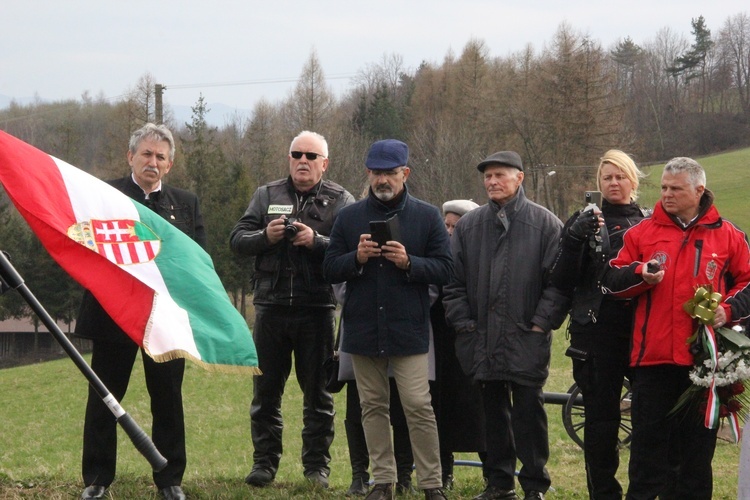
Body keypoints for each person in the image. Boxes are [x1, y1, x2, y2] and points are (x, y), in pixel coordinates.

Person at [602, 156, 750, 499]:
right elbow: (609, 281)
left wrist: (728, 311)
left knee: (695, 461)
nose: (667, 194)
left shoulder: (728, 235)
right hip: (652, 363)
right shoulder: (641, 232)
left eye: (676, 189)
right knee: (646, 458)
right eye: (664, 187)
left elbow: (748, 282)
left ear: (699, 190)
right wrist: (641, 274)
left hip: (703, 365)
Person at [75, 123, 204, 500]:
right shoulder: (104, 194)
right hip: (112, 313)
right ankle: (97, 480)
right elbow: (87, 246)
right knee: (104, 397)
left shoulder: (186, 203)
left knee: (168, 399)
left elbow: (197, 260)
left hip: (164, 320)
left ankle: (170, 479)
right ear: (130, 156)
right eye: (146, 154)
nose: (152, 161)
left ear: (170, 164)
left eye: (160, 157)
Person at [323, 139, 453, 500]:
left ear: (405, 173)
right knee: (372, 406)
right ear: (368, 173)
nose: (383, 180)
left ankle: (431, 484)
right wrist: (356, 258)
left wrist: (410, 262)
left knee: (417, 405)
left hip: (408, 328)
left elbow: (446, 269)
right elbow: (329, 266)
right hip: (363, 328)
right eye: (377, 172)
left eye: (390, 173)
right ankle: (383, 481)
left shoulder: (427, 216)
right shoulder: (349, 217)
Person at [229, 130, 354, 489]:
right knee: (265, 393)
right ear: (289, 159)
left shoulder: (341, 200)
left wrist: (316, 242)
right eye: (296, 154)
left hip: (316, 310)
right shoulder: (267, 195)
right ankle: (264, 464)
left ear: (324, 164)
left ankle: (317, 468)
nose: (303, 161)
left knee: (319, 395)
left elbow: (349, 252)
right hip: (269, 307)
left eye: (311, 156)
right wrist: (265, 237)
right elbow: (237, 240)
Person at [443, 151, 568, 500]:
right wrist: (464, 325)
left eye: (500, 175)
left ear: (520, 178)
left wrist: (541, 325)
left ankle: (534, 486)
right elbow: (452, 284)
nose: (492, 181)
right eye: (488, 176)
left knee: (529, 413)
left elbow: (558, 285)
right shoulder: (469, 226)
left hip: (527, 337)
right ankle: (498, 484)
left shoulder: (545, 225)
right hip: (480, 338)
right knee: (492, 416)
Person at [548, 150, 647, 499]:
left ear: (632, 180)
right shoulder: (582, 219)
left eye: (620, 176)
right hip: (596, 331)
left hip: (643, 333)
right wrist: (575, 238)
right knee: (601, 422)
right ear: (598, 184)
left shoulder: (651, 222)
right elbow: (560, 278)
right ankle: (603, 494)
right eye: (607, 177)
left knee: (648, 422)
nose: (614, 183)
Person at [432, 199, 486, 489]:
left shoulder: (481, 254)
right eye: (448, 225)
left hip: (473, 338)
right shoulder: (437, 254)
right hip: (440, 341)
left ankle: (494, 472)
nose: (451, 231)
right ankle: (443, 473)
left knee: (480, 410)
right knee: (439, 409)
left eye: (457, 226)